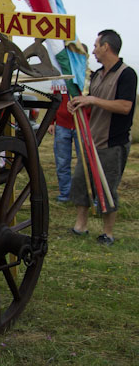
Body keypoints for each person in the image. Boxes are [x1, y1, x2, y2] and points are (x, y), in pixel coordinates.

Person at [69, 29, 136, 245]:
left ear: (106, 47)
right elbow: (91, 101)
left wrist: (93, 100)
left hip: (112, 143)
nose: (94, 51)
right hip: (90, 140)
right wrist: (79, 103)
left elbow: (125, 106)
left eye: (96, 46)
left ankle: (108, 233)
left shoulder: (127, 74)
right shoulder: (96, 74)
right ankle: (81, 226)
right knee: (81, 182)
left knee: (107, 188)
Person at [47, 44, 87, 203]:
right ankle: (65, 194)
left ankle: (84, 194)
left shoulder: (87, 78)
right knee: (62, 162)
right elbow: (55, 99)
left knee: (84, 162)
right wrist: (52, 121)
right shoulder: (62, 77)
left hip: (82, 125)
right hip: (62, 125)